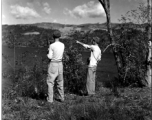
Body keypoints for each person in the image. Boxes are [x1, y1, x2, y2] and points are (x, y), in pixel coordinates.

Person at [46, 30, 65, 103]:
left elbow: (50, 57)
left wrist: (47, 52)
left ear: (53, 37)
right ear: (60, 36)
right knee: (60, 82)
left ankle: (50, 100)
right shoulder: (63, 45)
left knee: (50, 82)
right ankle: (62, 98)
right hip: (60, 64)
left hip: (53, 64)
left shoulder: (51, 46)